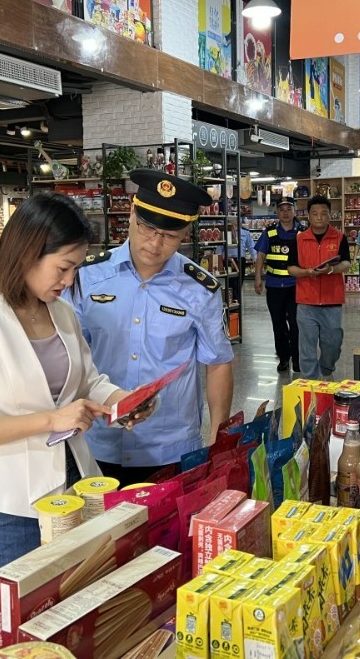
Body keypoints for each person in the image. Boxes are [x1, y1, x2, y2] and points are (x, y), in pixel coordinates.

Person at [0, 193, 133, 590]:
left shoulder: (61, 311)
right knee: (10, 603)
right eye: (63, 268)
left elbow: (89, 380)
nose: (69, 281)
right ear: (28, 252)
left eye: (75, 269)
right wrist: (51, 420)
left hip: (74, 478)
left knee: (70, 590)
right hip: (12, 498)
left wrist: (121, 400)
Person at [69, 169, 235, 487]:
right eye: (146, 227)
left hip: (170, 448)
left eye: (170, 235)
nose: (154, 243)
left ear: (186, 232)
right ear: (132, 213)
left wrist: (218, 439)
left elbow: (218, 363)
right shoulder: (87, 278)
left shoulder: (200, 288)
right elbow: (72, 357)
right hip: (99, 442)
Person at [288, 195, 352, 379]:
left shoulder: (339, 238)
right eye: (315, 213)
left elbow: (347, 263)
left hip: (332, 301)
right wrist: (307, 272)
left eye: (324, 213)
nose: (319, 217)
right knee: (306, 345)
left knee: (333, 342)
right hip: (306, 301)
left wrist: (331, 269)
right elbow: (291, 268)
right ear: (308, 216)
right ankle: (311, 383)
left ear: (329, 215)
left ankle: (327, 368)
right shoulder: (299, 240)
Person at [254, 197, 305, 372]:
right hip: (274, 286)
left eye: (288, 209)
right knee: (278, 323)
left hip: (296, 286)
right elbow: (260, 255)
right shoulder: (269, 233)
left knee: (296, 323)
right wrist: (258, 278)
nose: (285, 212)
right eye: (282, 209)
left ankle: (297, 359)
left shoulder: (302, 233)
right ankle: (283, 358)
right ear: (277, 212)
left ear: (294, 211)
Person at [217, 217, 256, 305]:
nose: (237, 222)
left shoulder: (245, 233)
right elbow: (220, 247)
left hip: (240, 260)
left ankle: (236, 299)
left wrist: (255, 258)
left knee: (239, 280)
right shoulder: (226, 233)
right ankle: (233, 299)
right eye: (234, 220)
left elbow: (251, 246)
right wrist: (219, 260)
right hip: (229, 260)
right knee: (232, 281)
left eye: (239, 220)